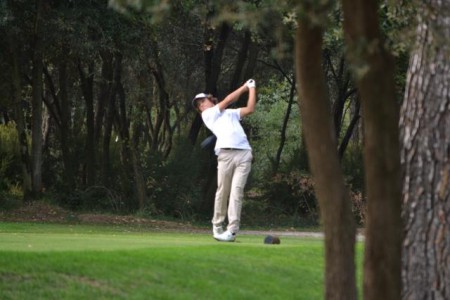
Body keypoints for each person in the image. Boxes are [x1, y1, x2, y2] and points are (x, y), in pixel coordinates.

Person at [192, 79, 257, 242]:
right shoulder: (208, 115)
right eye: (199, 105)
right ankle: (217, 225)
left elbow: (250, 109)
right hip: (225, 155)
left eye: (202, 101)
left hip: (244, 154)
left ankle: (232, 230)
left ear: (210, 99)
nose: (201, 105)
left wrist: (252, 88)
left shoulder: (231, 113)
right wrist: (244, 86)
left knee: (237, 191)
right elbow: (228, 100)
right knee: (223, 190)